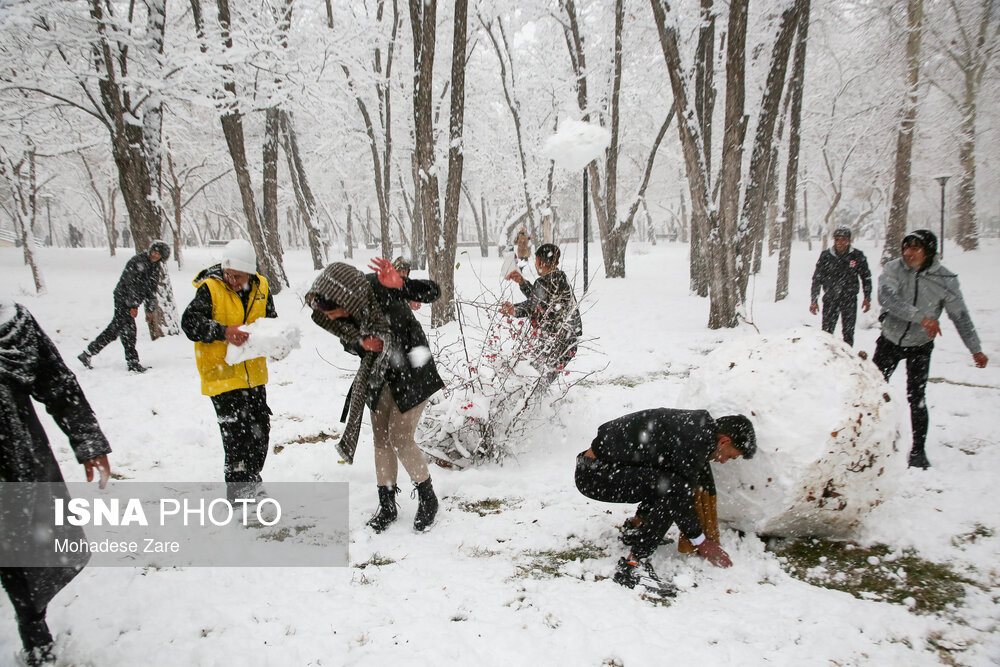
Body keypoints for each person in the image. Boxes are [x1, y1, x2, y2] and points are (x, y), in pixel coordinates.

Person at [0, 302, 112, 666]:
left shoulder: (8, 322)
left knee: (20, 557)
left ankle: (36, 640)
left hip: (14, 462)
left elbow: (57, 381)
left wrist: (88, 439)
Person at [308, 258, 444, 533]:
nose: (334, 319)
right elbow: (348, 337)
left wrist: (401, 284)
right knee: (381, 437)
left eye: (335, 313)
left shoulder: (379, 287)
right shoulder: (345, 306)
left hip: (413, 370)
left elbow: (434, 292)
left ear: (345, 299)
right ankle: (388, 503)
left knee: (400, 437)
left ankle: (428, 498)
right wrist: (362, 342)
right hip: (379, 374)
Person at [575, 409, 755, 591]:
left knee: (669, 482)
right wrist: (701, 541)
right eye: (730, 456)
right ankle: (632, 566)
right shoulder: (693, 441)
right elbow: (679, 497)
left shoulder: (698, 428)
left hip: (598, 467)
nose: (724, 461)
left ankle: (637, 527)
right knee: (673, 488)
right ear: (724, 441)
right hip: (595, 476)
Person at [872, 229, 988, 469]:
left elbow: (960, 316)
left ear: (929, 252)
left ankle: (918, 451)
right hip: (890, 340)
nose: (908, 253)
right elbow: (886, 298)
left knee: (917, 398)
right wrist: (922, 317)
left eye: (915, 248)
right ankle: (868, 442)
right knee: (872, 393)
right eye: (906, 247)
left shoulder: (945, 280)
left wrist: (975, 349)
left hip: (920, 346)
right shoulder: (893, 269)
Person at [180, 240, 277, 500]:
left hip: (253, 376)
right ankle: (239, 495)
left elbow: (270, 321)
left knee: (260, 431)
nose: (232, 280)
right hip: (222, 377)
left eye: (238, 276)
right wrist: (224, 332)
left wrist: (276, 340)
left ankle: (252, 482)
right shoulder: (210, 288)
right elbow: (190, 324)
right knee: (236, 438)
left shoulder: (262, 287)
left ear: (251, 274)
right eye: (229, 275)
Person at [78, 240, 171, 373]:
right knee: (128, 331)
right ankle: (132, 362)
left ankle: (88, 354)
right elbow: (131, 284)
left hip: (131, 301)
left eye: (159, 254)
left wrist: (149, 310)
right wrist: (132, 305)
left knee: (116, 330)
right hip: (123, 298)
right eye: (154, 252)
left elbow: (151, 289)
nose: (155, 256)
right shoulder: (138, 261)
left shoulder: (155, 267)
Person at [500, 243, 583, 384]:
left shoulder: (545, 281)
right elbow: (541, 300)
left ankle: (531, 404)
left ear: (538, 261)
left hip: (557, 341)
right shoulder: (560, 277)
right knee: (538, 378)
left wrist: (514, 310)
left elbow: (535, 304)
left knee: (535, 380)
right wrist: (522, 282)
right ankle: (535, 403)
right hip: (568, 339)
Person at [809, 227, 872, 346]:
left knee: (848, 332)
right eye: (837, 239)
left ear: (849, 240)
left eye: (843, 239)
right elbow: (817, 278)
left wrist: (867, 297)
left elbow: (866, 277)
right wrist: (814, 299)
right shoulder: (826, 256)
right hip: (831, 298)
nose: (840, 243)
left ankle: (847, 358)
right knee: (826, 332)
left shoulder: (857, 256)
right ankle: (825, 356)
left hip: (849, 299)